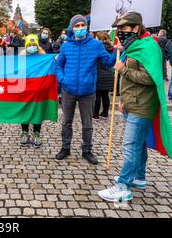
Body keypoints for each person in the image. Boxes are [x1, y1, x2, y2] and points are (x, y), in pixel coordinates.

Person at [98, 12, 162, 203]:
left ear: (136, 28)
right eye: (118, 30)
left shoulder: (149, 46)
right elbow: (131, 80)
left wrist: (123, 69)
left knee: (130, 145)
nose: (120, 33)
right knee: (139, 143)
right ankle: (139, 177)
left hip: (142, 105)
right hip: (133, 102)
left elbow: (151, 77)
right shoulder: (134, 46)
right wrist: (123, 99)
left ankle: (123, 187)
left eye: (124, 29)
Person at [55, 15, 117, 165]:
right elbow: (59, 65)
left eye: (83, 25)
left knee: (87, 124)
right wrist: (62, 80)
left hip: (88, 92)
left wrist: (117, 51)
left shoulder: (96, 45)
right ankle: (65, 147)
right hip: (68, 90)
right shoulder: (66, 46)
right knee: (66, 122)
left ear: (87, 27)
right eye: (77, 25)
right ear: (72, 28)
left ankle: (87, 150)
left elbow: (108, 62)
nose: (80, 28)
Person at [19, 34, 46, 148]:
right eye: (29, 45)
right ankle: (25, 133)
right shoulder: (20, 58)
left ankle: (37, 133)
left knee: (37, 112)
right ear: (25, 46)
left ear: (37, 45)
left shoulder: (43, 58)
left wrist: (54, 59)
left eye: (34, 45)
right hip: (24, 89)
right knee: (25, 111)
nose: (31, 47)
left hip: (38, 90)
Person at [93, 32, 115, 120]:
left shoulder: (99, 47)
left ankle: (95, 114)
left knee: (97, 95)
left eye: (96, 38)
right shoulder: (111, 47)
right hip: (108, 73)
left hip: (99, 73)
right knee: (105, 94)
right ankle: (105, 113)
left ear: (100, 39)